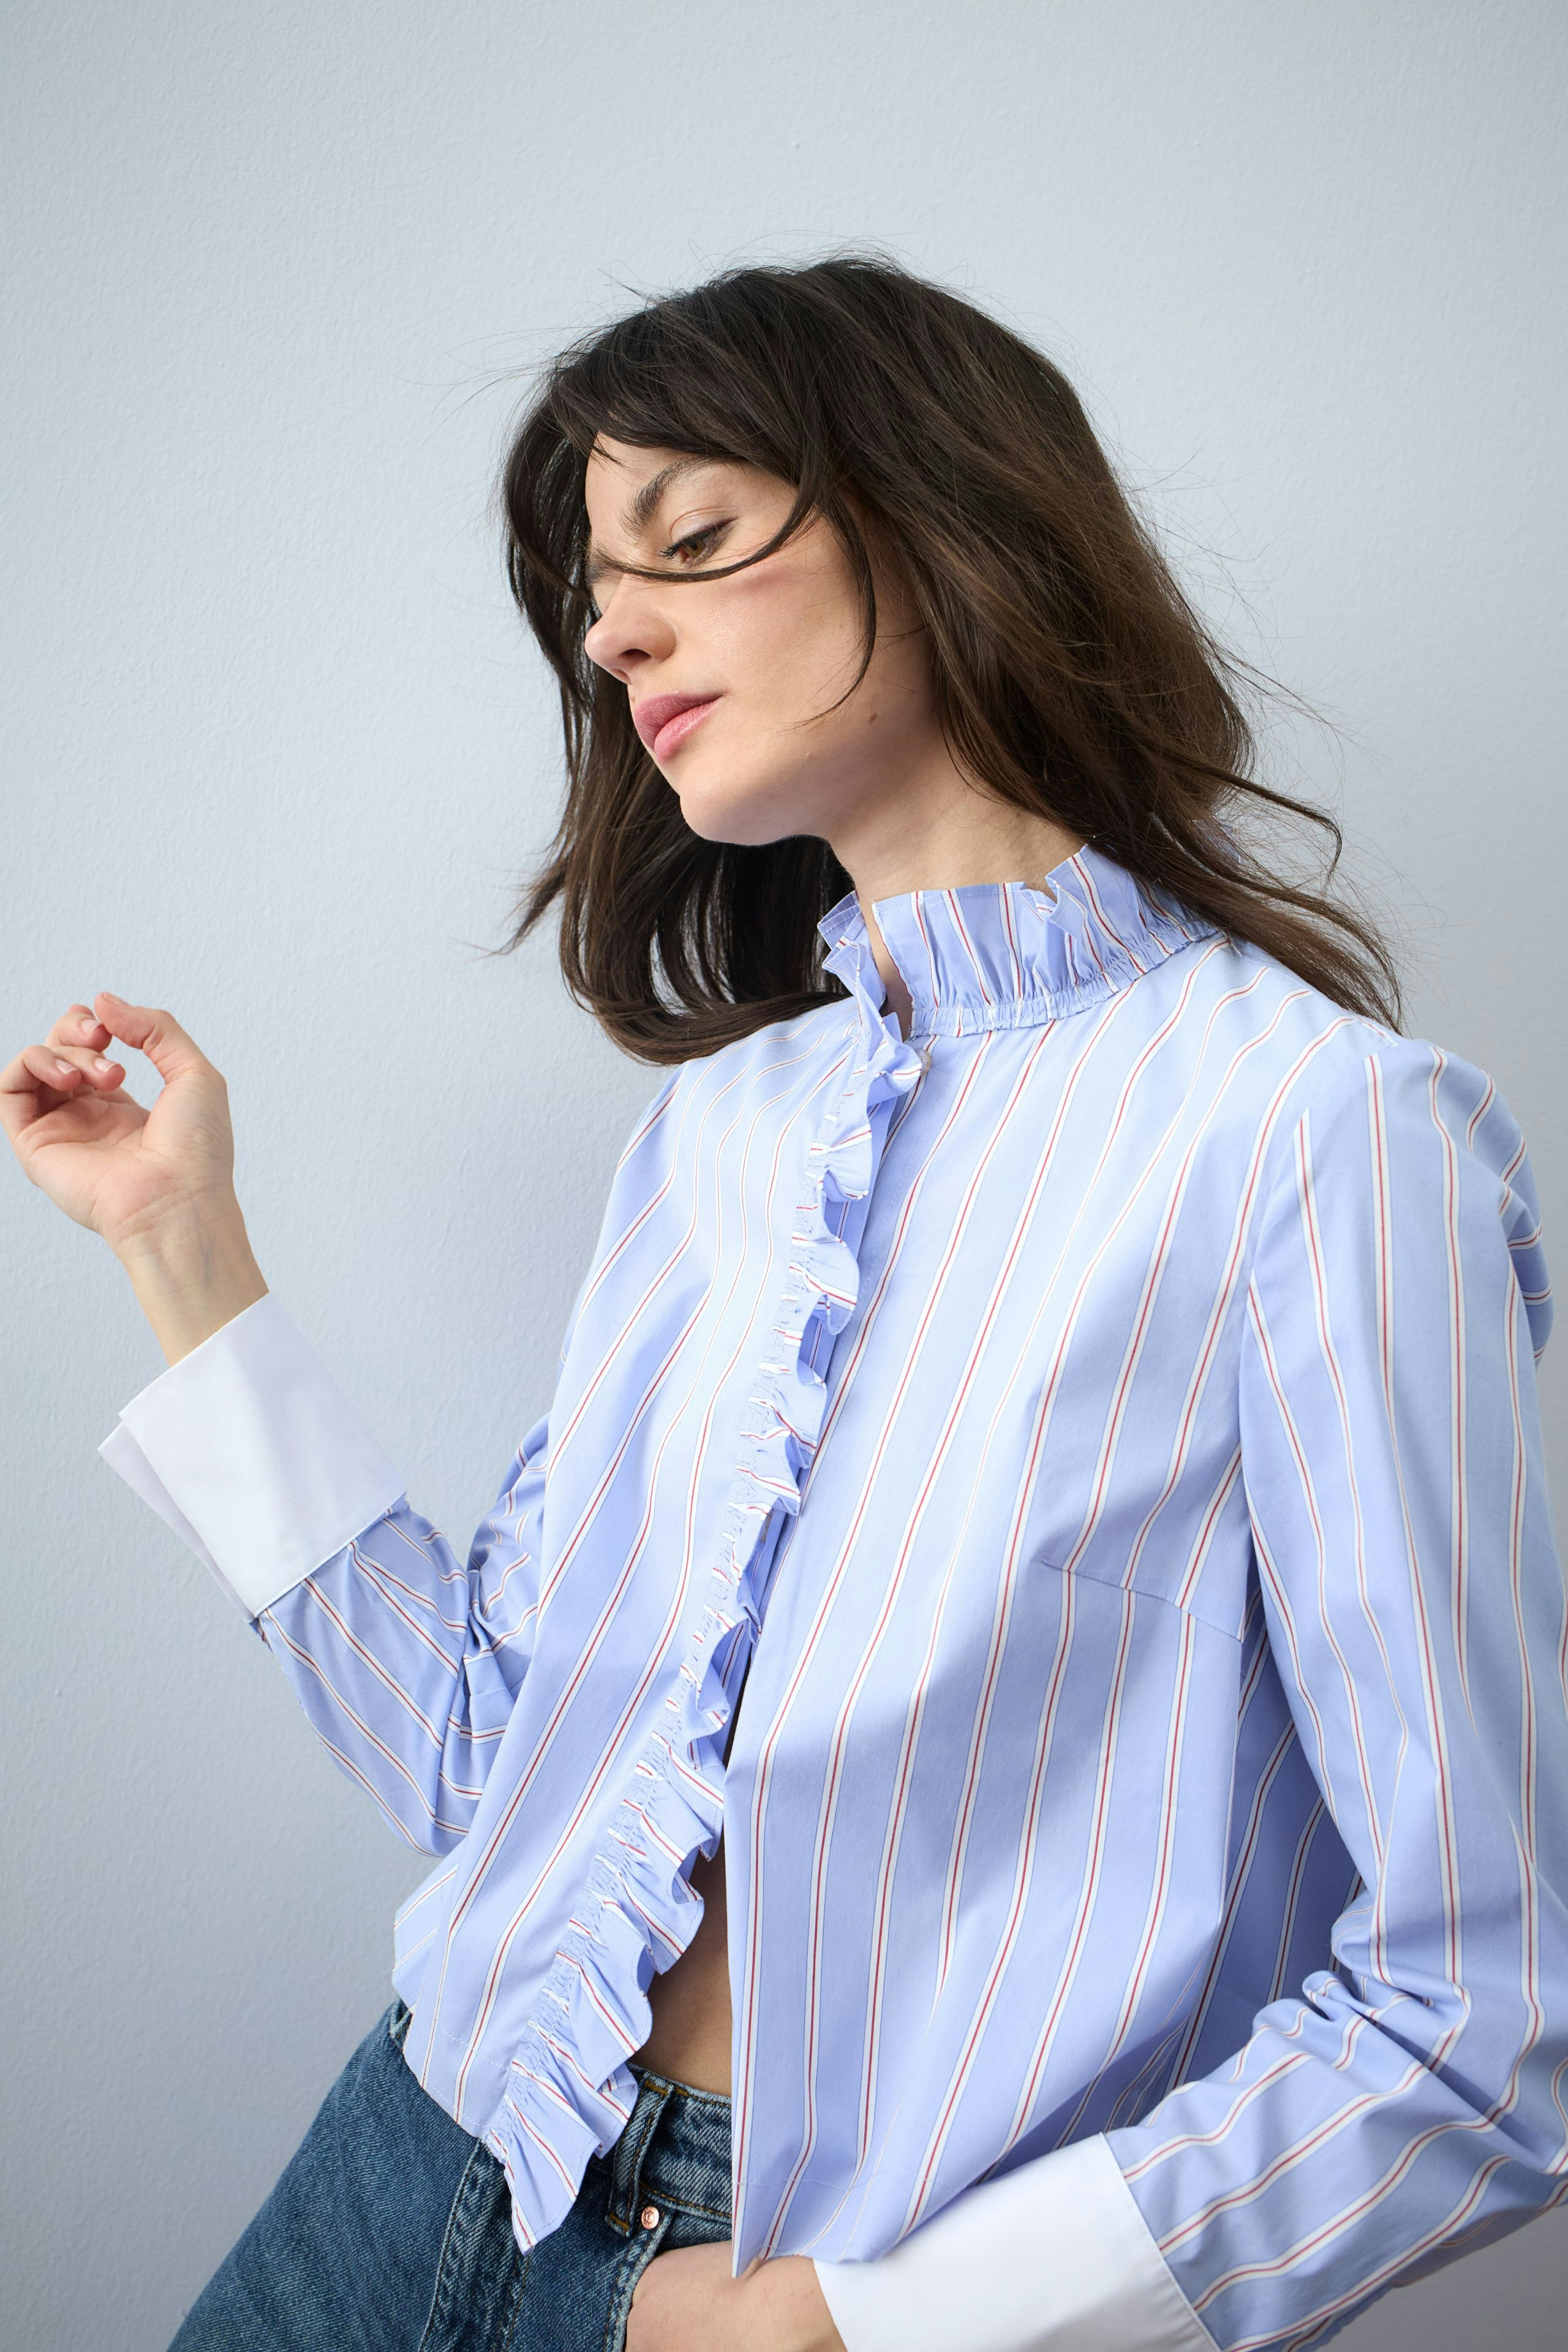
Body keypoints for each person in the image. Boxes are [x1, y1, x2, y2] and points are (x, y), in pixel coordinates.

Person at [6, 253, 1565, 2352]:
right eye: (595, 591)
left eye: (696, 541)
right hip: (421, 2154)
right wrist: (178, 1246)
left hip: (801, 2286)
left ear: (946, 521)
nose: (614, 633)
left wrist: (861, 2322)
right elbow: (491, 1764)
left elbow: (1494, 2012)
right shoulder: (721, 1134)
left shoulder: (1327, 1141)